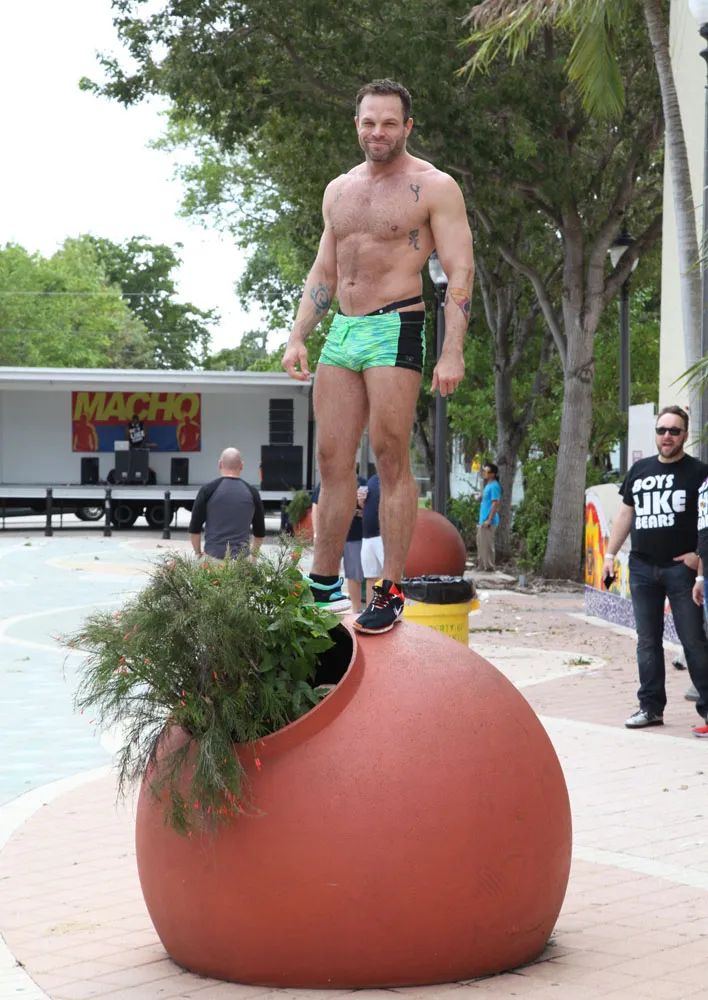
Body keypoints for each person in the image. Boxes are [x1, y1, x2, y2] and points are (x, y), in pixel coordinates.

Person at [282, 79, 475, 634]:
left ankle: (389, 588)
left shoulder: (434, 187)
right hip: (342, 331)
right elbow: (324, 269)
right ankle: (323, 584)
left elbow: (460, 271)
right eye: (369, 122)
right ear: (357, 124)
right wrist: (298, 334)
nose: (378, 132)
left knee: (390, 457)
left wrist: (452, 350)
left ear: (407, 126)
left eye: (389, 123)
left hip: (397, 323)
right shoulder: (339, 190)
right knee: (331, 459)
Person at [601, 406, 708, 733]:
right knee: (647, 641)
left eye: (674, 431)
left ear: (685, 435)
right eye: (662, 430)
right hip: (642, 568)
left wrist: (699, 560)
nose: (667, 436)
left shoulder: (699, 473)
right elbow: (625, 514)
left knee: (693, 641)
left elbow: (707, 523)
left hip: (681, 571)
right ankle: (650, 708)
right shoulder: (639, 470)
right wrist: (609, 555)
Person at [189, 448, 265, 561]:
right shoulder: (252, 492)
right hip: (241, 562)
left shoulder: (207, 490)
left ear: (220, 464)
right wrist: (253, 557)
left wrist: (198, 553)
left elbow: (194, 529)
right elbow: (260, 532)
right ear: (241, 465)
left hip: (213, 560)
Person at [311, 467, 368, 613]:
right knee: (326, 571)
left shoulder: (361, 483)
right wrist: (317, 533)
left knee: (354, 575)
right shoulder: (327, 482)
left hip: (354, 536)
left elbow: (368, 510)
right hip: (330, 537)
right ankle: (326, 604)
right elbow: (316, 506)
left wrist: (360, 506)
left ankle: (355, 609)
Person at [360, 472, 385, 613]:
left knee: (388, 577)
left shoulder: (391, 479)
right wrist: (361, 500)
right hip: (367, 536)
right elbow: (364, 507)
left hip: (384, 536)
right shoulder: (371, 480)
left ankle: (387, 611)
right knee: (371, 577)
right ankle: (370, 611)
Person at [477, 462, 501, 571]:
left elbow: (495, 503)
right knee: (481, 543)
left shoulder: (495, 486)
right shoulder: (488, 485)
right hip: (483, 519)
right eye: (484, 471)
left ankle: (489, 567)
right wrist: (480, 499)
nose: (484, 473)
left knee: (487, 545)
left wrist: (489, 519)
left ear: (492, 474)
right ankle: (482, 566)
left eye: (486, 471)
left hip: (488, 520)